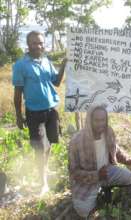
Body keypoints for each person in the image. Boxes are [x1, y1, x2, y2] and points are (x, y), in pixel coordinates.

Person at [12, 31, 67, 194]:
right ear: (28, 45)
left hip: (51, 110)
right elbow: (17, 94)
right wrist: (18, 115)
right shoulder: (21, 65)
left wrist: (63, 65)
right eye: (35, 43)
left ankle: (45, 169)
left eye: (41, 43)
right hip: (34, 113)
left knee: (49, 143)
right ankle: (42, 183)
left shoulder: (46, 61)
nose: (39, 46)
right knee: (39, 148)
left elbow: (56, 82)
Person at [68, 105, 131, 218]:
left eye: (103, 120)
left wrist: (126, 159)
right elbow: (74, 172)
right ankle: (96, 196)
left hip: (107, 171)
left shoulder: (108, 131)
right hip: (87, 180)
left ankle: (106, 189)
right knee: (83, 211)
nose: (100, 123)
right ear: (89, 120)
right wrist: (96, 175)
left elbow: (115, 149)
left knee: (130, 177)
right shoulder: (77, 140)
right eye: (97, 120)